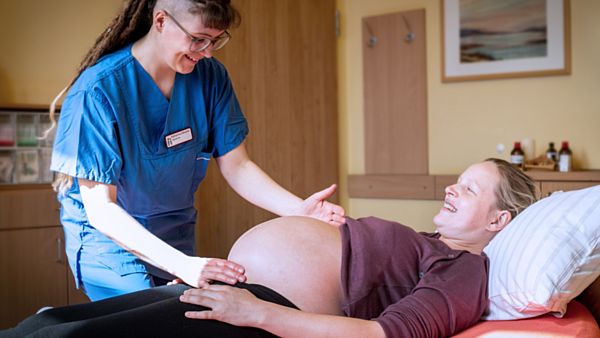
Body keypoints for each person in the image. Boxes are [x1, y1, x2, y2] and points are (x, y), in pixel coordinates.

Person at [0, 158, 538, 337]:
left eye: (468, 188)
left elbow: (383, 333)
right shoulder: (428, 243)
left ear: (499, 219)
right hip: (234, 289)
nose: (451, 187)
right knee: (46, 323)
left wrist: (260, 316)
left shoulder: (466, 268)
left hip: (262, 310)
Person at [47, 0, 345, 301]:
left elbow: (237, 166)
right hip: (109, 239)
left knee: (178, 315)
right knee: (143, 318)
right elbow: (101, 209)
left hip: (174, 230)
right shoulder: (98, 89)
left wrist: (298, 210)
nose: (207, 52)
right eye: (198, 39)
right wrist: (182, 265)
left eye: (215, 40)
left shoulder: (210, 77)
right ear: (161, 21)